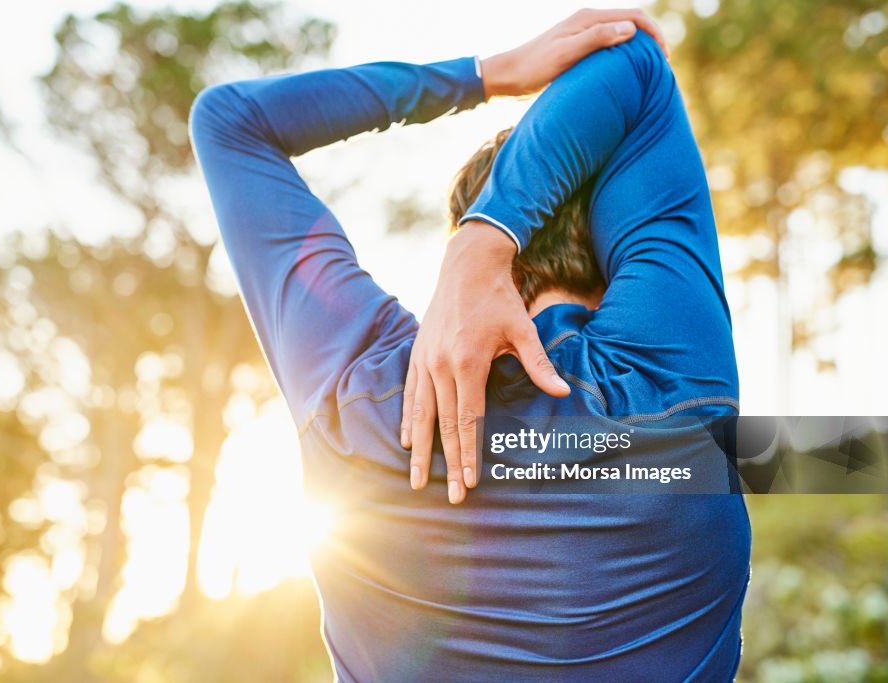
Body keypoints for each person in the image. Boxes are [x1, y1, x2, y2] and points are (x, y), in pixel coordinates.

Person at [189, 9, 750, 682]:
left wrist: (488, 77)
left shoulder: (361, 398)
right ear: (616, 235)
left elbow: (231, 123)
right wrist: (490, 234)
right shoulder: (671, 382)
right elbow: (633, 63)